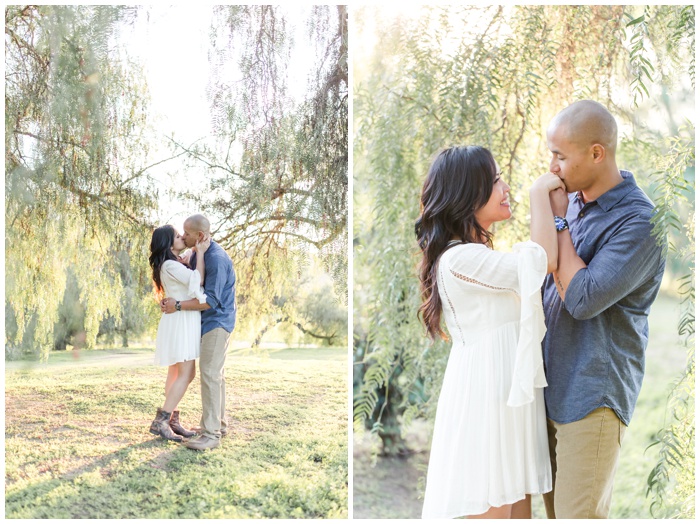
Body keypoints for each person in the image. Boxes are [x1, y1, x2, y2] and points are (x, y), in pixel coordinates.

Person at [416, 145, 565, 519]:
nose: (505, 186)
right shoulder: (459, 259)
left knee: (516, 511)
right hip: (487, 401)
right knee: (494, 506)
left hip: (506, 399)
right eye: (495, 179)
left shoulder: (478, 257)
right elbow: (543, 260)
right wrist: (539, 194)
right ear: (468, 193)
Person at [541, 100, 666, 518]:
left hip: (591, 397)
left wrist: (557, 221)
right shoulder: (573, 201)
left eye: (560, 156)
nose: (552, 166)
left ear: (597, 153)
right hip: (547, 389)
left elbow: (581, 298)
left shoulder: (641, 223)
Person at [161, 214, 236, 451]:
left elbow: (210, 301)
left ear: (200, 236)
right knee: (216, 375)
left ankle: (211, 434)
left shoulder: (215, 258)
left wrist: (178, 305)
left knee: (210, 374)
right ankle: (219, 426)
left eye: (187, 233)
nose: (183, 237)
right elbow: (193, 280)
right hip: (206, 323)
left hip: (217, 321)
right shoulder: (199, 253)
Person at [148, 225, 210, 442]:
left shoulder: (171, 264)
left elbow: (188, 273)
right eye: (177, 236)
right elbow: (198, 280)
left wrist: (191, 254)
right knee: (187, 373)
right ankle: (161, 421)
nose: (182, 237)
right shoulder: (170, 265)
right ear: (168, 243)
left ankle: (172, 420)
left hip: (179, 320)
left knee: (175, 374)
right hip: (181, 321)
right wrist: (200, 253)